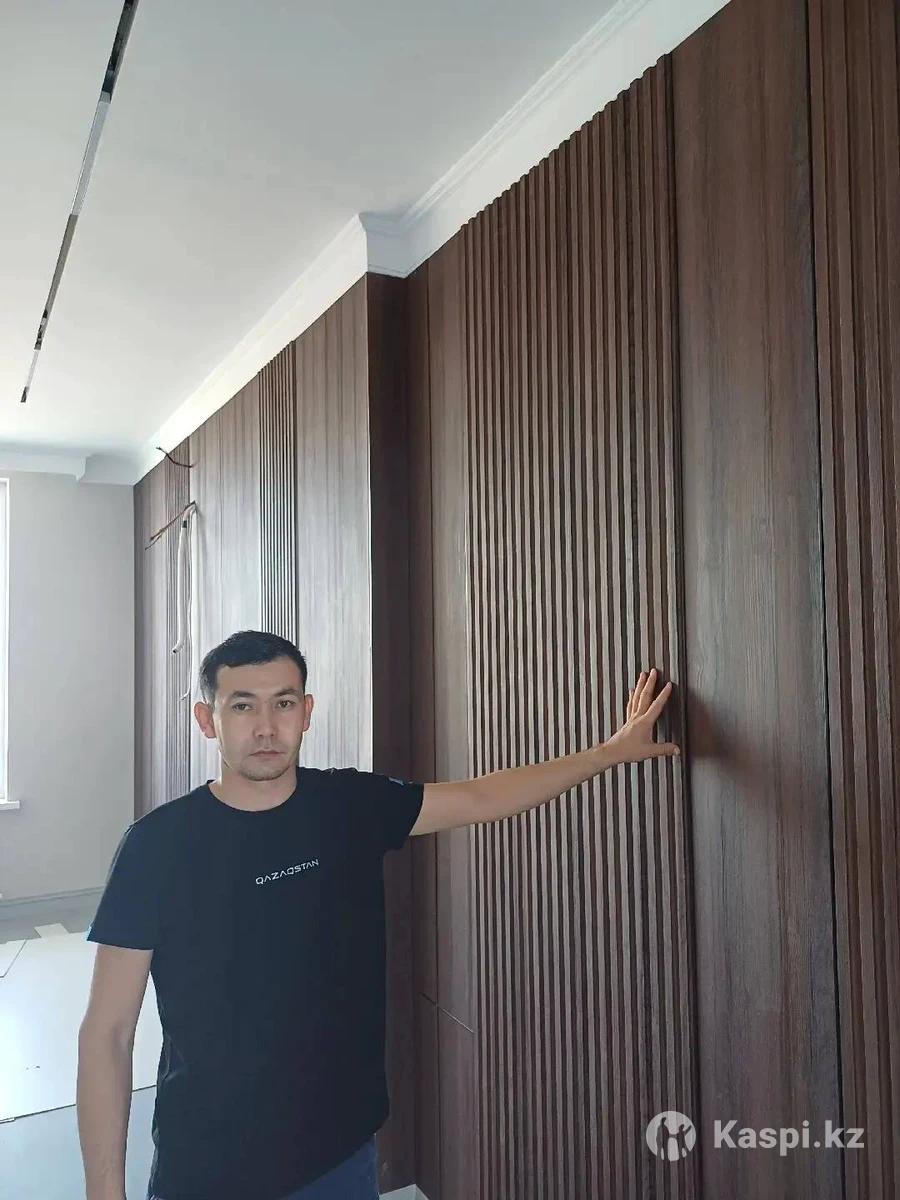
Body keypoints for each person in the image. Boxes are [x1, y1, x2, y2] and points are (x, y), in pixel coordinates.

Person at [77, 629, 679, 1200]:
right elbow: (108, 1032)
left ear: (306, 712)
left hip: (340, 1154)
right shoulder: (158, 845)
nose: (265, 726)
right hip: (209, 1167)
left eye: (283, 703)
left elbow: (481, 797)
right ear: (207, 719)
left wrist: (610, 753)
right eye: (242, 706)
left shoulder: (349, 806)